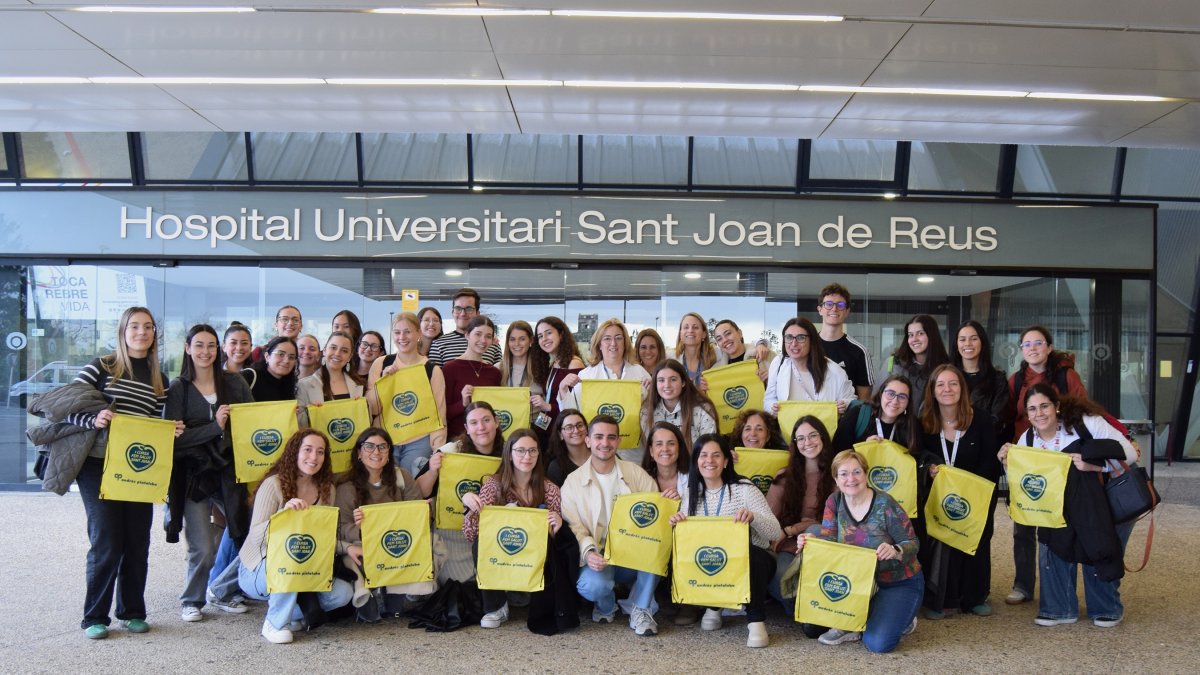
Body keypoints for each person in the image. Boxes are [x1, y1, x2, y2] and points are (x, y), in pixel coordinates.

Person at [68, 306, 182, 640]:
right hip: (98, 466)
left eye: (148, 327)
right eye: (135, 326)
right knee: (106, 540)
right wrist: (94, 419)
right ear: (123, 331)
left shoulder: (159, 378)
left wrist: (169, 429)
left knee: (137, 542)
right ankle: (94, 617)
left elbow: (155, 425)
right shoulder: (102, 366)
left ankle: (132, 612)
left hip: (138, 468)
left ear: (154, 335)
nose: (142, 332)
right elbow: (64, 406)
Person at [997, 384, 1138, 629]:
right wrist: (1007, 462)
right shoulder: (1027, 438)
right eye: (1032, 409)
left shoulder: (1086, 423)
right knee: (1054, 544)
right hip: (1060, 506)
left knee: (1098, 546)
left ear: (1057, 406)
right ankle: (1058, 608)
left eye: (1044, 406)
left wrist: (1095, 466)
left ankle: (1106, 607)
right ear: (1026, 415)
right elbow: (1025, 481)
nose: (1039, 413)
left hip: (1103, 500)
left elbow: (1130, 453)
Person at [165, 324, 254, 624]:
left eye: (211, 346)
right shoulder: (178, 388)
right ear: (188, 348)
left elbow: (253, 424)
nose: (205, 351)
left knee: (249, 531)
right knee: (203, 547)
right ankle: (192, 600)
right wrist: (215, 427)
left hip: (231, 471)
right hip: (194, 476)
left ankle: (224, 589)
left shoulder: (235, 382)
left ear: (219, 350)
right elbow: (174, 439)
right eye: (199, 345)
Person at [233, 429, 354, 644]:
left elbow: (322, 541)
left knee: (342, 593)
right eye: (307, 450)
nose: (313, 457)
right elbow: (255, 537)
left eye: (320, 452)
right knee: (290, 563)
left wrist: (347, 548)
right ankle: (274, 623)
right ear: (294, 452)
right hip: (259, 568)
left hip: (306, 566)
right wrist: (283, 517)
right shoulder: (274, 485)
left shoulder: (328, 490)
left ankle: (289, 613)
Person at [799, 450, 922, 653]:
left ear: (866, 474)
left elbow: (913, 542)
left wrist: (895, 549)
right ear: (836, 479)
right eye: (844, 474)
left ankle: (903, 618)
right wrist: (812, 542)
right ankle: (864, 617)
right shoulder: (834, 501)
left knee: (878, 644)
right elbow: (830, 541)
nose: (851, 479)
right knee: (811, 627)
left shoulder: (885, 504)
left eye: (857, 472)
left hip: (896, 581)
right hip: (856, 581)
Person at [462, 429, 578, 635]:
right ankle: (496, 606)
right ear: (509, 453)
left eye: (533, 451)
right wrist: (470, 506)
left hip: (534, 556)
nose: (527, 456)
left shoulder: (549, 489)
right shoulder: (494, 485)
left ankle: (534, 596)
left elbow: (556, 537)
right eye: (521, 450)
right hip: (501, 552)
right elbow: (471, 533)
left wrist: (557, 523)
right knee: (481, 541)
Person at [670, 434, 781, 648]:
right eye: (703, 455)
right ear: (695, 461)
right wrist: (678, 524)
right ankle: (715, 604)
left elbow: (775, 532)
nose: (709, 461)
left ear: (726, 461)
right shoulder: (691, 493)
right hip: (715, 561)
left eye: (716, 455)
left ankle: (755, 620)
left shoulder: (744, 488)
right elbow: (688, 543)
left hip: (755, 560)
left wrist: (753, 517)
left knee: (752, 556)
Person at [1005, 324, 1089, 607]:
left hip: (1061, 457)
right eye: (1026, 344)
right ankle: (1023, 584)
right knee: (1024, 523)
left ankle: (1061, 587)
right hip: (1027, 456)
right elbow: (1009, 416)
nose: (1032, 348)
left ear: (1049, 347)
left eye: (1038, 343)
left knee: (1061, 523)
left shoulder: (1066, 376)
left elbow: (1084, 411)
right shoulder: (1016, 380)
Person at [560, 415, 661, 636]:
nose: (605, 443)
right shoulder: (573, 482)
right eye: (598, 437)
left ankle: (641, 609)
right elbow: (574, 527)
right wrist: (588, 553)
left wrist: (667, 502)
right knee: (593, 586)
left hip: (631, 556)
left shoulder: (635, 473)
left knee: (657, 546)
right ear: (587, 440)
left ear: (618, 441)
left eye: (611, 437)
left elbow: (655, 513)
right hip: (598, 555)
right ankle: (607, 605)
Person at [917, 364, 1000, 619]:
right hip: (940, 495)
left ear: (962, 388)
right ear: (932, 390)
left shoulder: (982, 419)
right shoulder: (924, 421)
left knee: (975, 539)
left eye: (953, 383)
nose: (947, 389)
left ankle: (975, 597)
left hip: (976, 494)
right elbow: (918, 453)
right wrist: (930, 465)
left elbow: (991, 461)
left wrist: (972, 491)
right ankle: (943, 599)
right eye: (940, 384)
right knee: (943, 542)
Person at [334, 427, 426, 622]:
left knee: (434, 542)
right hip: (366, 546)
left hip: (400, 544)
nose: (376, 452)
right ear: (359, 453)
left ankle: (403, 591)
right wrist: (360, 529)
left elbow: (418, 516)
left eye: (382, 447)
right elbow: (340, 528)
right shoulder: (346, 487)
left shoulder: (403, 477)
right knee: (351, 555)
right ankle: (364, 594)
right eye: (369, 447)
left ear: (389, 452)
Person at [415, 402, 506, 583]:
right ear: (466, 428)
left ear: (496, 422)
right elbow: (419, 492)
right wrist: (433, 471)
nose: (481, 427)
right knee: (460, 582)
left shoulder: (509, 452)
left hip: (493, 528)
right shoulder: (450, 452)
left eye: (486, 420)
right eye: (473, 423)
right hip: (453, 528)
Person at [767, 416, 836, 614]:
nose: (808, 443)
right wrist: (787, 533)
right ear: (795, 444)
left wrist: (796, 528)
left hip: (824, 544)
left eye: (813, 435)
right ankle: (807, 614)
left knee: (816, 529)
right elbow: (770, 520)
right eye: (801, 438)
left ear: (823, 437)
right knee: (780, 578)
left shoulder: (838, 475)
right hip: (789, 546)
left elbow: (834, 523)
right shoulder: (784, 476)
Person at [366, 312, 448, 477]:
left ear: (418, 333)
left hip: (419, 441)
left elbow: (439, 414)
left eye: (408, 331)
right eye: (397, 332)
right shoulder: (381, 363)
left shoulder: (432, 370)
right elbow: (372, 409)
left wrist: (438, 448)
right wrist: (382, 383)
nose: (402, 337)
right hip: (384, 440)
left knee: (412, 492)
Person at [557, 318, 651, 419]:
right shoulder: (586, 375)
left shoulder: (639, 372)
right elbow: (572, 415)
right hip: (596, 434)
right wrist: (563, 389)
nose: (613, 343)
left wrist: (651, 393)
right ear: (599, 345)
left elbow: (651, 411)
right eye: (607, 338)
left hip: (632, 434)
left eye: (618, 338)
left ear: (625, 343)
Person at [763, 317, 854, 415]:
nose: (794, 344)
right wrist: (772, 408)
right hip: (787, 429)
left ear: (812, 340)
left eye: (801, 338)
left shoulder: (834, 371)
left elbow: (851, 400)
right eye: (789, 337)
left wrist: (844, 404)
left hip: (824, 429)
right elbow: (768, 399)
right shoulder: (778, 363)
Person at [951, 320, 1012, 446]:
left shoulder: (997, 379)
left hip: (985, 445)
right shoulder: (948, 377)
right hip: (950, 443)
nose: (967, 344)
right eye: (962, 339)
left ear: (982, 343)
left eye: (973, 339)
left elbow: (997, 419)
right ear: (956, 345)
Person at [441, 316, 503, 439]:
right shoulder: (450, 368)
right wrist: (463, 403)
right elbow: (442, 413)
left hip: (487, 440)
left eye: (488, 336)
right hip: (458, 440)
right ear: (467, 335)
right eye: (478, 334)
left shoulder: (494, 372)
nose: (483, 340)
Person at [641, 360, 718, 456]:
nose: (667, 385)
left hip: (695, 468)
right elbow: (652, 451)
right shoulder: (646, 412)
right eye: (661, 380)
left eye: (673, 379)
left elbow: (709, 449)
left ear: (683, 382)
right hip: (662, 468)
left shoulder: (703, 409)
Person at [814, 283, 874, 401]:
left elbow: (863, 402)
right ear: (820, 309)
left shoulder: (859, 352)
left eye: (840, 305)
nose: (834, 309)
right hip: (810, 417)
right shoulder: (807, 346)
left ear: (847, 311)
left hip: (846, 418)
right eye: (829, 304)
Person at [831, 375, 921, 453]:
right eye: (890, 394)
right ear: (881, 394)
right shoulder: (858, 414)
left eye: (902, 397)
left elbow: (916, 460)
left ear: (908, 402)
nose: (895, 401)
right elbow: (837, 453)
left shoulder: (912, 425)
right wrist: (864, 449)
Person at [529, 317, 585, 437]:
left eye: (549, 333)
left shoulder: (574, 364)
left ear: (561, 335)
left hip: (564, 431)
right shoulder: (554, 363)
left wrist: (548, 406)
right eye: (540, 336)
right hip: (548, 426)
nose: (544, 339)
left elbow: (577, 407)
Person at [296, 331, 364, 428]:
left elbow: (364, 422)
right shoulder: (303, 385)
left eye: (344, 351)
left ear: (349, 357)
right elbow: (299, 425)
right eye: (333, 348)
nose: (337, 353)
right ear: (324, 351)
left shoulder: (359, 385)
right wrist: (310, 413)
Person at [886, 314, 949, 414]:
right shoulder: (895, 363)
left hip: (933, 425)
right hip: (901, 425)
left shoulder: (946, 368)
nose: (914, 339)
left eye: (920, 333)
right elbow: (880, 399)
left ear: (932, 335)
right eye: (910, 335)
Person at [427, 288, 502, 366]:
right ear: (453, 312)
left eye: (469, 309)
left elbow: (499, 375)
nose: (463, 313)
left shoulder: (492, 345)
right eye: (458, 308)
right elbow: (433, 377)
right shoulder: (438, 344)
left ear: (477, 313)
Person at [641, 421, 689, 499]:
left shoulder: (694, 477)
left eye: (671, 443)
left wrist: (681, 502)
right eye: (659, 444)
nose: (665, 449)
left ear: (679, 448)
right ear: (651, 451)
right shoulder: (640, 479)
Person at [546, 409, 590, 487]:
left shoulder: (601, 454)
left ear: (586, 429)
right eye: (569, 427)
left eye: (579, 425)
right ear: (560, 434)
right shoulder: (556, 468)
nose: (576, 431)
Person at [675, 312, 717, 387]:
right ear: (680, 333)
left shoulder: (717, 355)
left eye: (695, 327)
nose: (690, 330)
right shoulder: (671, 358)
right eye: (686, 327)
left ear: (704, 334)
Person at [332, 310, 365, 380]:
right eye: (336, 326)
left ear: (355, 329)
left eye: (346, 327)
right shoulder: (326, 353)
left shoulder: (362, 354)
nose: (340, 330)